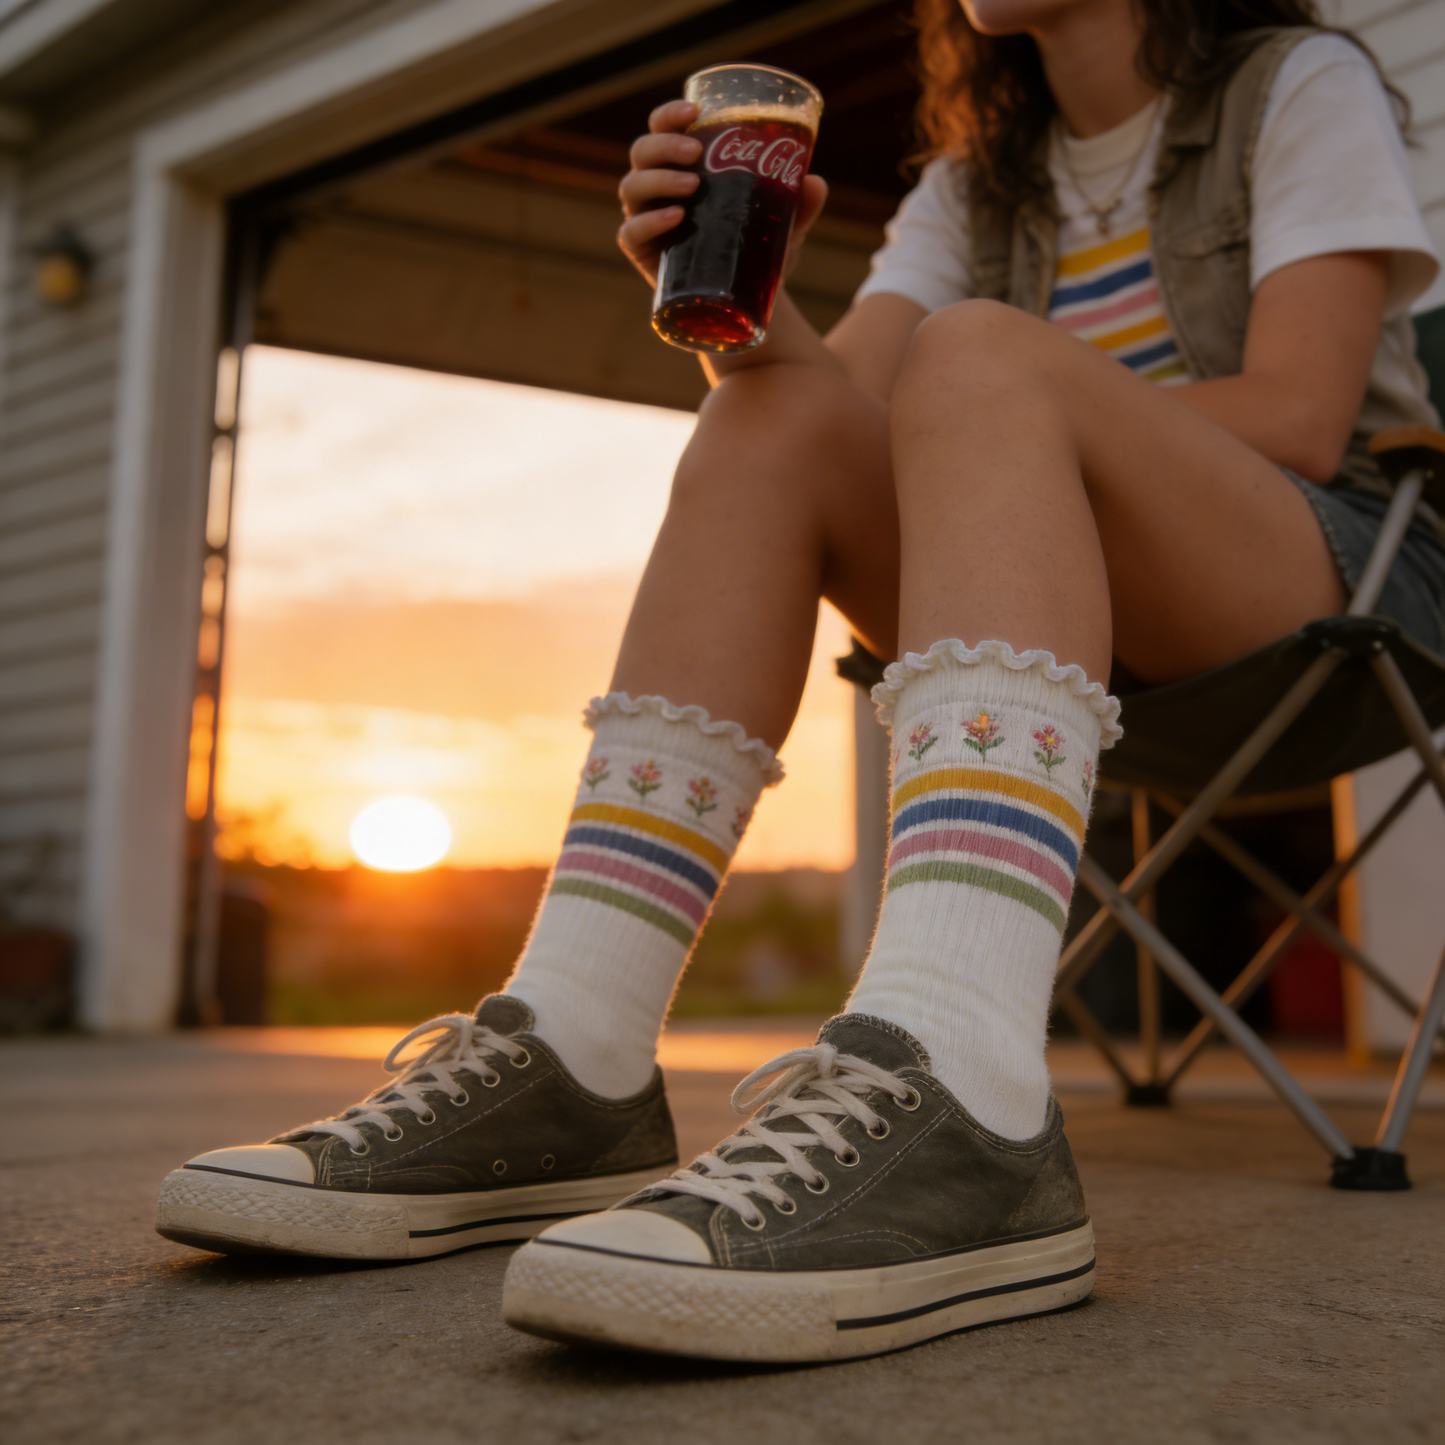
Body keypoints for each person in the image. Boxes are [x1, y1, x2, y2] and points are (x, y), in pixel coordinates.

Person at [155, 0, 1442, 1363]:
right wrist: (726, 301)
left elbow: (1302, 416)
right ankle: (576, 1054)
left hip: (1324, 594)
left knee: (978, 359)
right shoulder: (974, 180)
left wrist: (989, 425)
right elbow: (834, 407)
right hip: (1059, 633)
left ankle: (966, 1087)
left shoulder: (1296, 83)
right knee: (768, 412)